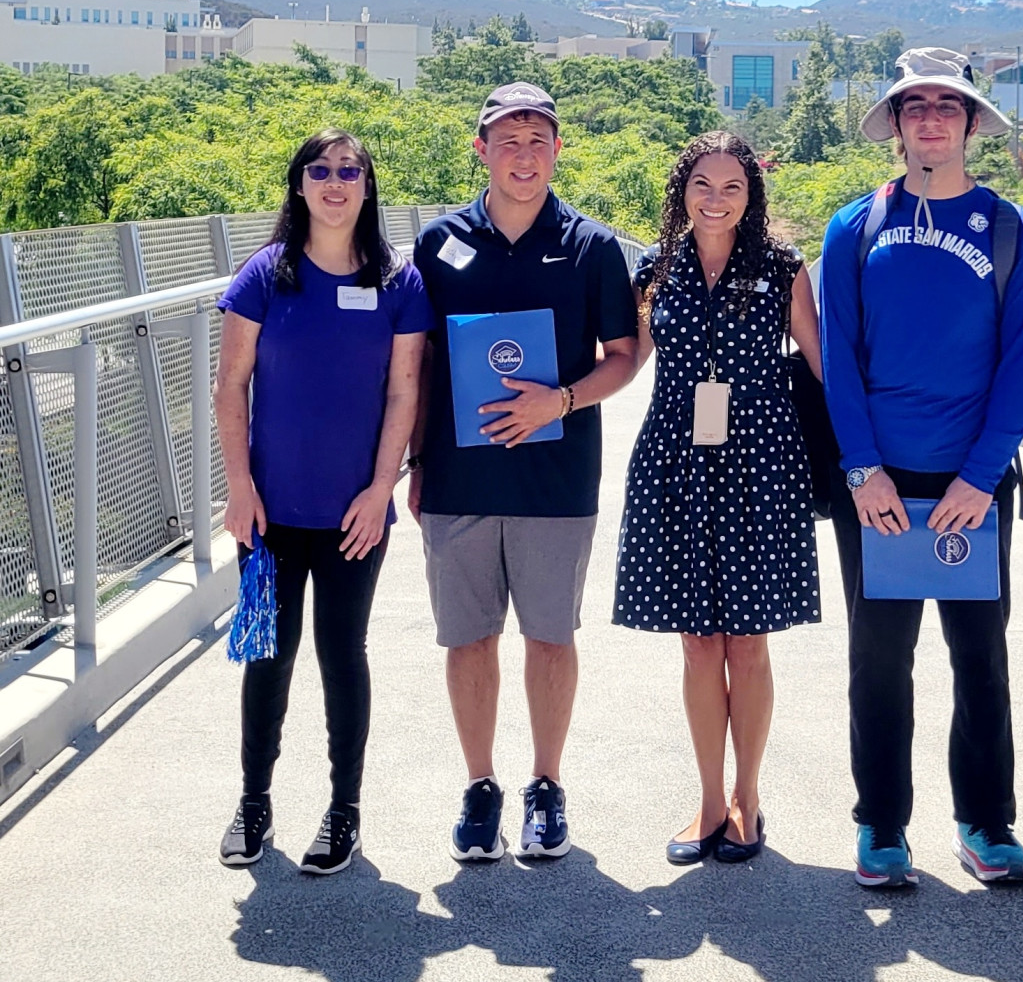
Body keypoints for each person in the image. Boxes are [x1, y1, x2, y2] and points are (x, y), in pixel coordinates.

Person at [819, 47, 1023, 887]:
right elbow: (837, 359)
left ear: (970, 123)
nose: (929, 119)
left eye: (945, 106)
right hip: (878, 487)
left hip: (971, 489)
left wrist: (981, 475)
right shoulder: (855, 228)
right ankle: (881, 824)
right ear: (894, 122)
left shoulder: (1009, 230)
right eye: (913, 106)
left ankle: (985, 822)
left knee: (978, 658)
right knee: (879, 662)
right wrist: (861, 468)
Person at [410, 82, 640, 863]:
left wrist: (561, 400)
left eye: (537, 139)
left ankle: (546, 785)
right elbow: (417, 363)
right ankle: (480, 788)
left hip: (556, 479)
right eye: (507, 139)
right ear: (480, 149)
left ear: (557, 151)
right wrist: (415, 461)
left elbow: (624, 357)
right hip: (458, 477)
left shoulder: (591, 246)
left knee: (549, 636)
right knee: (467, 638)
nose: (523, 154)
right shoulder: (437, 244)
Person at [214, 129, 432, 875]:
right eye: (320, 170)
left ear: (367, 186)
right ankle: (254, 800)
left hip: (354, 516)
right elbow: (230, 386)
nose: (334, 183)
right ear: (299, 184)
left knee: (342, 655)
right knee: (268, 656)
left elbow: (404, 391)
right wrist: (239, 487)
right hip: (268, 514)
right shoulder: (264, 274)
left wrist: (380, 489)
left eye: (349, 171)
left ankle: (345, 812)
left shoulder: (397, 281)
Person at [614, 131, 822, 866]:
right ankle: (708, 798)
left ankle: (747, 797)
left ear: (750, 195)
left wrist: (878, 450)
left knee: (748, 641)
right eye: (702, 184)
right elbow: (623, 362)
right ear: (682, 189)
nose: (715, 198)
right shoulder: (655, 270)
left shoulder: (782, 267)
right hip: (674, 460)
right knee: (697, 643)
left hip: (760, 463)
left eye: (732, 186)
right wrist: (554, 395)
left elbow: (823, 362)